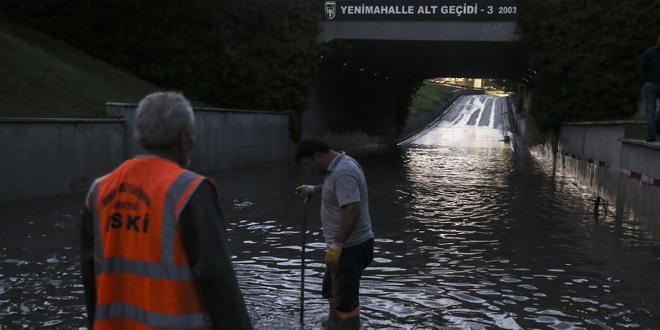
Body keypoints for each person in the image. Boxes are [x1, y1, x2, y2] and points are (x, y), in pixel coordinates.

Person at [79, 91, 253, 330]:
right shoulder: (191, 191)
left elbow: (90, 280)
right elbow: (219, 281)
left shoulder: (99, 192)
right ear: (184, 140)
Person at [294, 137, 374, 330]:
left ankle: (347, 326)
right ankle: (333, 324)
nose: (308, 169)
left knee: (346, 302)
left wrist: (338, 245)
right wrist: (313, 189)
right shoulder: (337, 166)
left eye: (308, 164)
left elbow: (352, 209)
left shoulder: (343, 171)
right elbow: (335, 189)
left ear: (317, 156)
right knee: (331, 291)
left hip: (350, 247)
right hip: (342, 247)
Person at [639, 28, 660, 142]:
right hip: (651, 85)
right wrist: (644, 82)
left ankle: (656, 128)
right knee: (650, 111)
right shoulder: (649, 53)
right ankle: (651, 135)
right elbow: (641, 67)